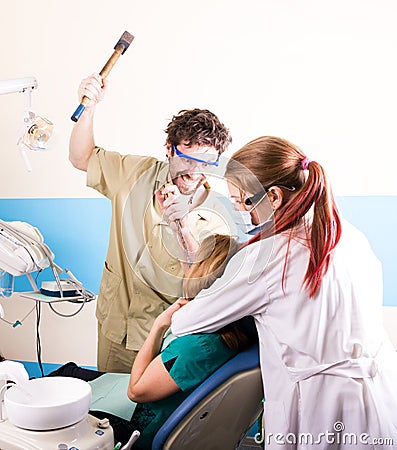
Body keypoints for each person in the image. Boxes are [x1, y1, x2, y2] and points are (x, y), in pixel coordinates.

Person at [171, 136, 397, 449]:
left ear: (274, 197)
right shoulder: (351, 236)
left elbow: (184, 323)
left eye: (242, 202)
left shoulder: (269, 257)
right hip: (381, 399)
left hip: (320, 413)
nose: (241, 214)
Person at [69, 73, 236, 373]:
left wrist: (182, 225)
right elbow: (82, 158)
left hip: (164, 340)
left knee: (151, 418)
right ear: (170, 148)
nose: (195, 171)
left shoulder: (218, 217)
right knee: (106, 413)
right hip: (114, 327)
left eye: (207, 163)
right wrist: (90, 107)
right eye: (187, 157)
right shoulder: (134, 173)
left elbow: (201, 286)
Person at [49, 234, 255, 449]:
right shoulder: (233, 328)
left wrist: (159, 326)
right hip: (159, 396)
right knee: (68, 371)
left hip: (138, 421)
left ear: (201, 271)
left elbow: (135, 391)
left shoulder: (198, 346)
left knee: (56, 384)